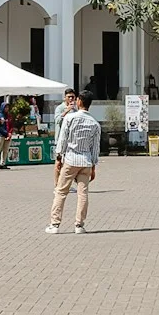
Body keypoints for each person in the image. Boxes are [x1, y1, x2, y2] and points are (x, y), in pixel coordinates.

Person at [46, 94, 102, 235]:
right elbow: (95, 148)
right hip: (86, 161)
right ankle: (79, 225)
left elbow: (63, 139)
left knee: (61, 191)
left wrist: (59, 157)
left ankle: (55, 224)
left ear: (79, 101)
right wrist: (94, 165)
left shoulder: (70, 118)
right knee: (83, 193)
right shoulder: (95, 123)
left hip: (71, 159)